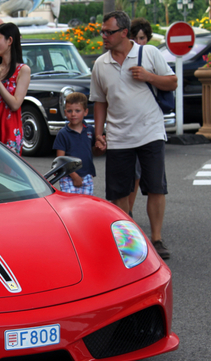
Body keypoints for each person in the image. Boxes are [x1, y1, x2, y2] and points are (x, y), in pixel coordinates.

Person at [90, 11, 177, 259]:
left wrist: (148, 76)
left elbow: (172, 82)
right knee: (118, 192)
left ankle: (157, 239)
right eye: (102, 31)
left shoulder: (148, 53)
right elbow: (99, 102)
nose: (104, 36)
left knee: (156, 188)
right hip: (118, 136)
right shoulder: (100, 64)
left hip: (150, 132)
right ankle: (130, 241)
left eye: (109, 32)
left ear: (124, 33)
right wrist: (99, 134)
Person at [0, 23, 31, 155]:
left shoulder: (23, 70)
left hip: (10, 130)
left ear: (10, 40)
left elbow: (15, 104)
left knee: (8, 173)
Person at [127, 17, 154, 217]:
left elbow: (170, 82)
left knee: (149, 177)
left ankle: (130, 210)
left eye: (143, 38)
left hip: (149, 124)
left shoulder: (152, 57)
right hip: (126, 125)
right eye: (135, 38)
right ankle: (128, 211)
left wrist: (148, 76)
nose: (139, 42)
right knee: (131, 173)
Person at [52, 92, 98, 195]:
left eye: (77, 111)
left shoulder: (90, 130)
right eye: (69, 111)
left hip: (86, 176)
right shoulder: (63, 134)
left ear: (85, 112)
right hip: (68, 177)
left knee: (86, 206)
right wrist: (74, 176)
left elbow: (94, 151)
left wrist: (101, 147)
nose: (73, 114)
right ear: (65, 112)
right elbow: (61, 161)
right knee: (70, 206)